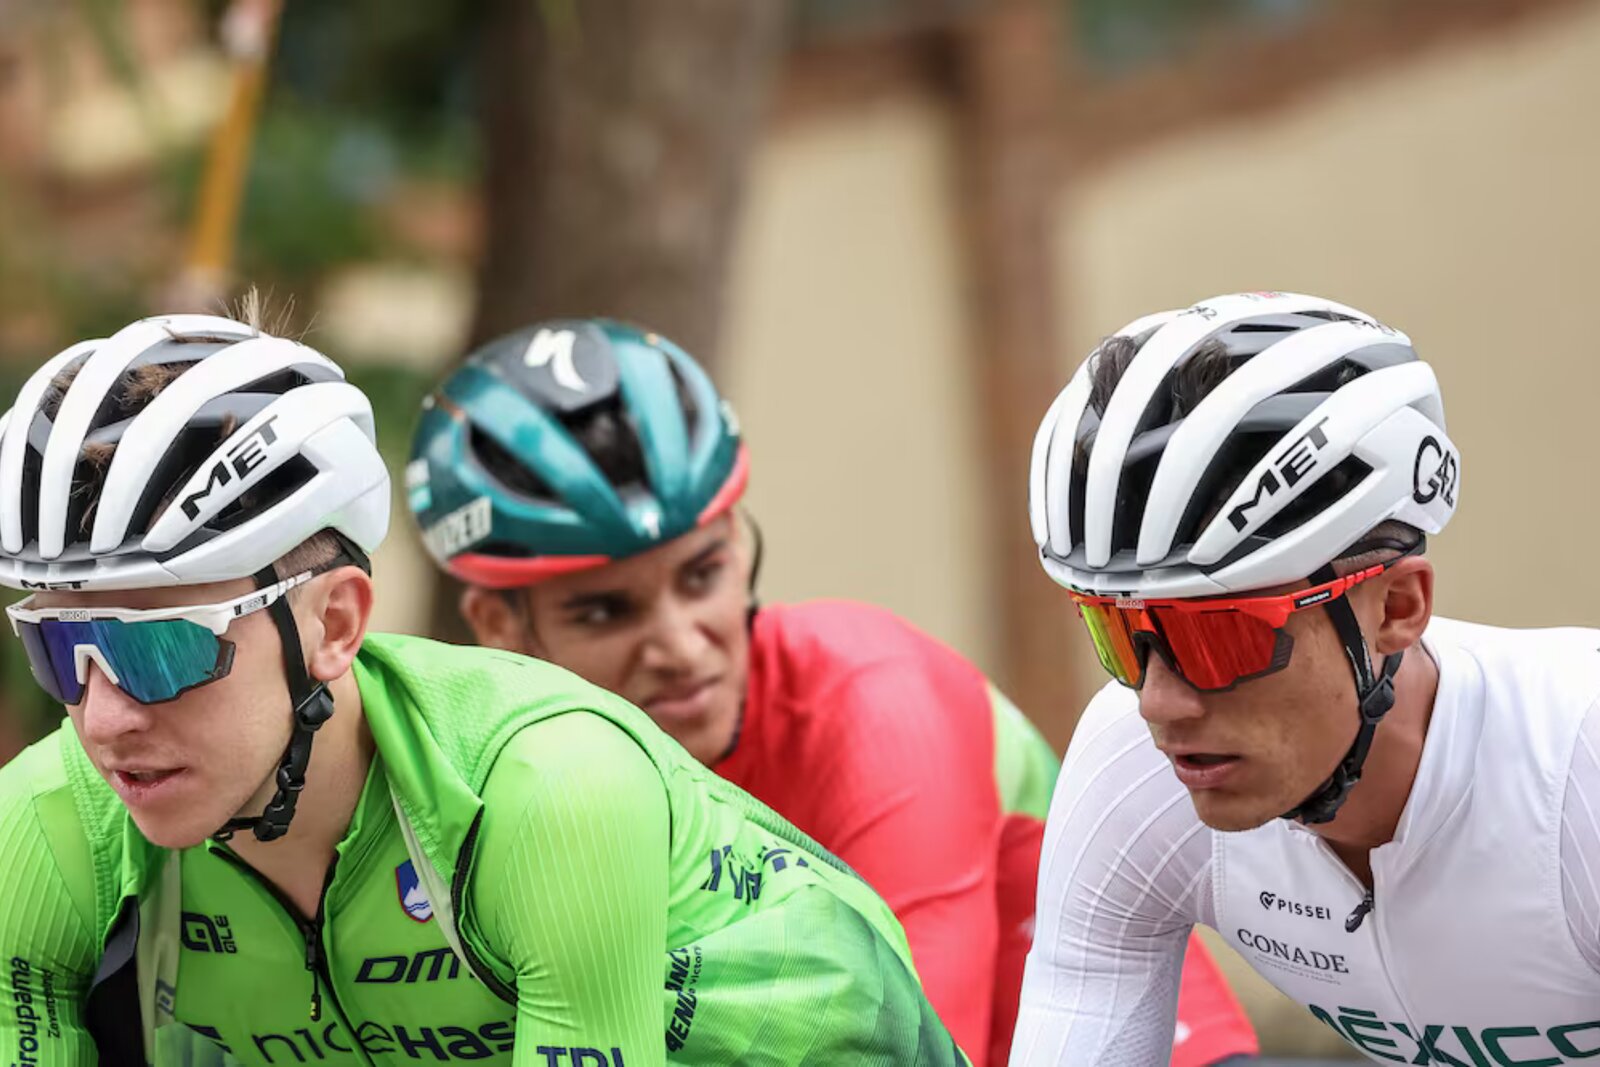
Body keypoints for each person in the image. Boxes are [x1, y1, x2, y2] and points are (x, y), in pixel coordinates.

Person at [0, 312, 968, 1066]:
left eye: (164, 649)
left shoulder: (552, 786)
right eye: (60, 645)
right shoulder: (45, 826)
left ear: (334, 625)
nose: (105, 714)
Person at [405, 318, 1260, 1067]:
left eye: (702, 574)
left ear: (739, 540)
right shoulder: (485, 774)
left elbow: (905, 1048)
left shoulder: (876, 704)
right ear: (497, 624)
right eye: (605, 610)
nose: (680, 645)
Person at [1012, 289, 1600, 1065]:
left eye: (1220, 636)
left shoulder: (1581, 770)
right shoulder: (1129, 769)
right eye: (1121, 637)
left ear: (1397, 606)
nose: (1158, 701)